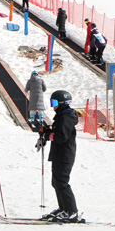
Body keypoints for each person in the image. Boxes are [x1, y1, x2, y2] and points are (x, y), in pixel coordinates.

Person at [38, 90, 80, 223]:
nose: (53, 106)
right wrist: (48, 130)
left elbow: (62, 136)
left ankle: (72, 211)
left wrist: (48, 135)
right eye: (52, 102)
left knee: (62, 183)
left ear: (62, 103)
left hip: (65, 155)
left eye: (54, 102)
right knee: (56, 183)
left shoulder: (66, 117)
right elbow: (58, 130)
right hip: (59, 154)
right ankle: (64, 208)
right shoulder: (62, 116)